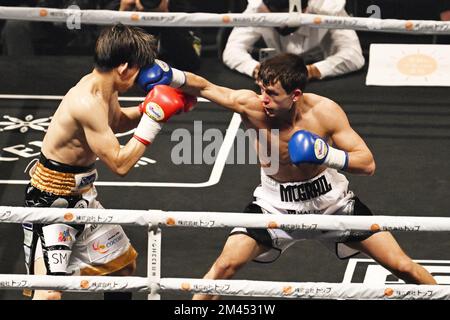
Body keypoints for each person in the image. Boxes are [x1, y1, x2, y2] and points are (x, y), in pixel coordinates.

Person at [138, 52, 437, 299]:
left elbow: (367, 163)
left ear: (295, 95)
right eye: (261, 90)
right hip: (274, 204)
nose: (263, 99)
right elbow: (205, 88)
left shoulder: (325, 112)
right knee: (222, 269)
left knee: (404, 266)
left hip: (331, 203)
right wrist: (170, 73)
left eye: (271, 93)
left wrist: (326, 155)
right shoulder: (252, 107)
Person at [22, 23, 195, 300]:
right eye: (138, 70)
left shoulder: (106, 89)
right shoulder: (87, 101)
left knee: (123, 270)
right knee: (48, 296)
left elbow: (115, 121)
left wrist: (146, 108)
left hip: (83, 196)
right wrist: (153, 118)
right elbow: (120, 164)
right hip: (50, 201)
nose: (141, 79)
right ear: (124, 67)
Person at [222, 0, 365, 80]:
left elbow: (354, 56)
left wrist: (311, 71)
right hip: (276, 80)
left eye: (286, 15)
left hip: (320, 78)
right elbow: (232, 50)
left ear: (306, 8)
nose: (282, 23)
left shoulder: (327, 10)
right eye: (276, 14)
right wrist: (256, 69)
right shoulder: (258, 9)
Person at [103, 0, 201, 71]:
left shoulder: (180, 8)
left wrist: (168, 19)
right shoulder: (118, 7)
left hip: (170, 86)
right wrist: (122, 17)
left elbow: (191, 64)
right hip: (127, 87)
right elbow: (104, 60)